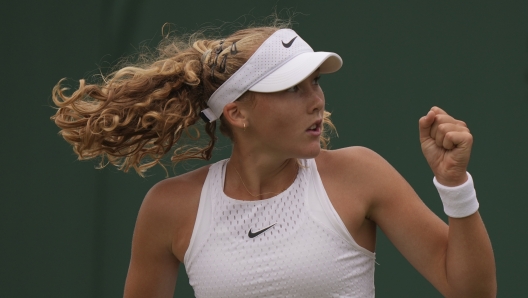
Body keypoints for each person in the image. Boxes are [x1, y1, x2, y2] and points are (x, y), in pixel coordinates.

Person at [51, 24, 496, 297]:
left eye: (316, 83)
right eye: (293, 89)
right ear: (237, 113)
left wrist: (456, 186)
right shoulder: (168, 208)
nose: (317, 101)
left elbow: (470, 291)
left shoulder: (360, 174)